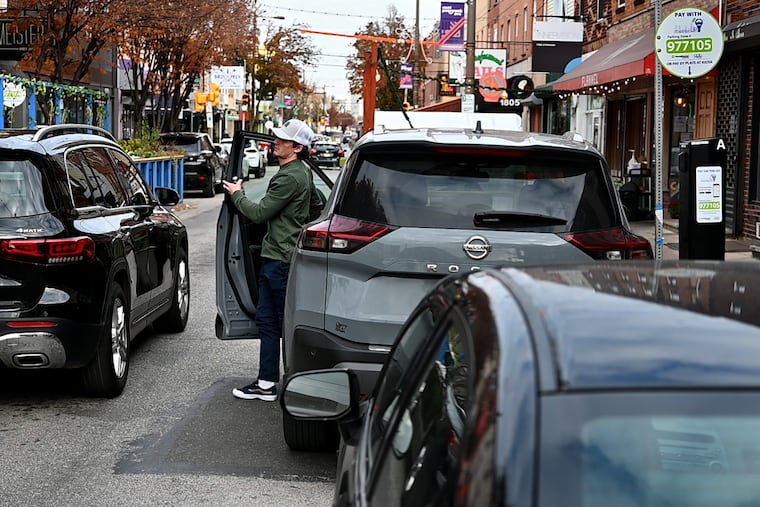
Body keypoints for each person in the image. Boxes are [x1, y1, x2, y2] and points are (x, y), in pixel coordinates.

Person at [222, 119, 323, 401]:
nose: (276, 142)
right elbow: (316, 206)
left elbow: (258, 214)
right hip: (278, 256)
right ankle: (266, 383)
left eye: (283, 140)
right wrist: (298, 225)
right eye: (277, 138)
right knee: (269, 321)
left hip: (280, 259)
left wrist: (236, 194)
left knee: (284, 324)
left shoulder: (289, 176)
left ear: (297, 148)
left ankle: (297, 385)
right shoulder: (302, 173)